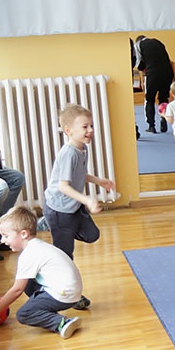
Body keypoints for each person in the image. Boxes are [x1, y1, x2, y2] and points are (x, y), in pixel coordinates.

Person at [42, 104, 116, 311]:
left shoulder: (82, 149)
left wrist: (99, 181)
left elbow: (78, 175)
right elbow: (63, 186)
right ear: (69, 130)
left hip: (72, 207)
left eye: (91, 126)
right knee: (65, 256)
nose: (90, 130)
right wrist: (87, 200)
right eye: (85, 127)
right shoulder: (69, 153)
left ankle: (49, 224)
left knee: (92, 235)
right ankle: (68, 294)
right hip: (59, 208)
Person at [0, 206, 83, 338]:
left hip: (65, 293)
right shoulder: (37, 245)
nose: (3, 240)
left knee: (24, 314)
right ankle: (47, 309)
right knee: (27, 281)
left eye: (6, 236)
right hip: (70, 290)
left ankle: (62, 323)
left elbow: (17, 290)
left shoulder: (29, 254)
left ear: (23, 234)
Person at [134, 35, 174, 133]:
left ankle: (151, 125)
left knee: (149, 99)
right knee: (163, 98)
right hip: (167, 72)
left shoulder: (138, 45)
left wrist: (143, 67)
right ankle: (163, 118)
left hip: (153, 74)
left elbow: (139, 64)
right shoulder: (158, 42)